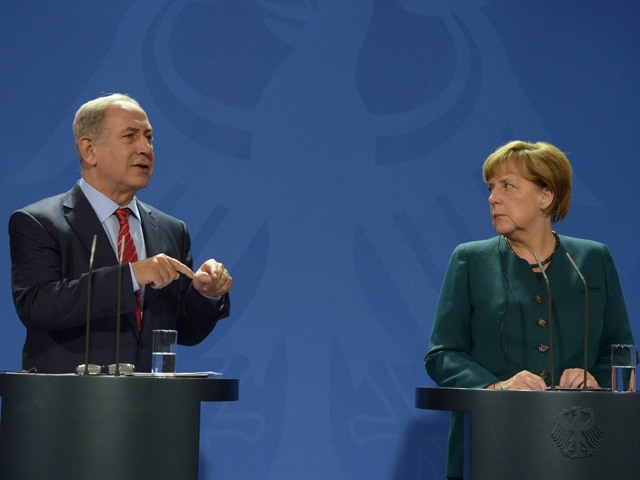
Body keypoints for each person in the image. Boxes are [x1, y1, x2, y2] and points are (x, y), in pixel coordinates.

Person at [425, 140, 635, 479]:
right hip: (491, 447)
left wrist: (594, 378)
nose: (493, 198)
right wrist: (497, 388)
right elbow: (442, 354)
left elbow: (619, 350)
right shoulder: (470, 260)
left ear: (546, 197)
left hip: (579, 450)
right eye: (491, 188)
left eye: (508, 186)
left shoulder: (593, 260)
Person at [9, 93, 232, 374]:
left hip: (149, 407)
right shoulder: (39, 222)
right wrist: (131, 276)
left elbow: (185, 330)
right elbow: (37, 307)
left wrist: (205, 294)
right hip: (68, 407)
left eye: (149, 138)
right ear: (89, 150)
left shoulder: (171, 230)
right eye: (130, 136)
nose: (145, 149)